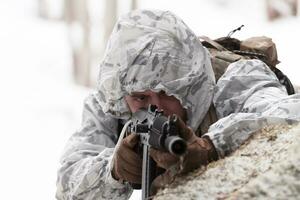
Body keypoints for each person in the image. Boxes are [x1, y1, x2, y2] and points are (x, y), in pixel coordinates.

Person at [56, 9, 300, 200]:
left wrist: (211, 146)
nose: (156, 107)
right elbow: (67, 185)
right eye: (141, 97)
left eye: (167, 92)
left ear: (190, 83)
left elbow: (291, 112)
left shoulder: (233, 77)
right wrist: (113, 171)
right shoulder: (115, 99)